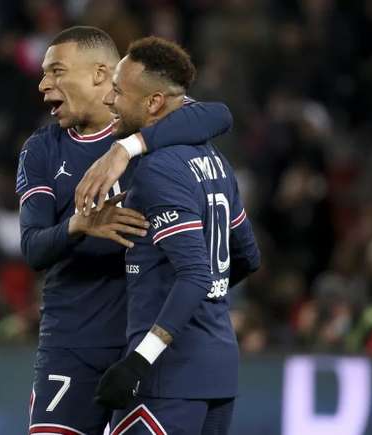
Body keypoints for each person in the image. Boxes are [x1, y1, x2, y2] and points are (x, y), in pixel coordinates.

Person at [18, 27, 233, 434]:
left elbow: (219, 114)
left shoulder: (148, 137)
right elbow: (32, 248)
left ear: (101, 74)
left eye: (57, 71)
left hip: (146, 347)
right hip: (72, 343)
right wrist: (78, 226)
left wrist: (127, 149)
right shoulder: (42, 149)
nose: (44, 84)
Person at [93, 37, 260, 434]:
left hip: (164, 379)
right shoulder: (217, 161)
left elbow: (195, 276)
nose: (109, 101)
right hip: (218, 371)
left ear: (153, 103)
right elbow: (247, 256)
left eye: (119, 91)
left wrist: (139, 360)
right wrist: (202, 303)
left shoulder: (158, 170)